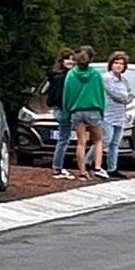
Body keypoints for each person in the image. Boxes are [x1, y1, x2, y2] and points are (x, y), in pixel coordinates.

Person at [62, 46, 107, 180]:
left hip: (77, 111)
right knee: (98, 140)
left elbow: (67, 95)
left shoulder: (71, 75)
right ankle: (97, 167)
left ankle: (82, 171)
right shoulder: (96, 75)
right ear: (91, 59)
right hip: (93, 110)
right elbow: (101, 94)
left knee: (81, 142)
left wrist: (67, 111)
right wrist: (101, 109)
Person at [98, 51, 131, 179]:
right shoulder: (107, 78)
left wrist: (125, 97)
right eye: (116, 63)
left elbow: (129, 95)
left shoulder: (123, 80)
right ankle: (89, 161)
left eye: (121, 64)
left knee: (115, 143)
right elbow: (115, 94)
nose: (118, 66)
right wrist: (124, 97)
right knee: (106, 140)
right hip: (108, 114)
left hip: (120, 115)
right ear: (111, 64)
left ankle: (112, 168)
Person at [46, 48, 74, 180]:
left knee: (63, 139)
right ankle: (58, 167)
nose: (70, 61)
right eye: (68, 58)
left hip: (57, 109)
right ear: (62, 61)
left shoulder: (54, 75)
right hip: (64, 109)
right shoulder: (66, 77)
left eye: (72, 59)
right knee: (64, 139)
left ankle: (57, 166)